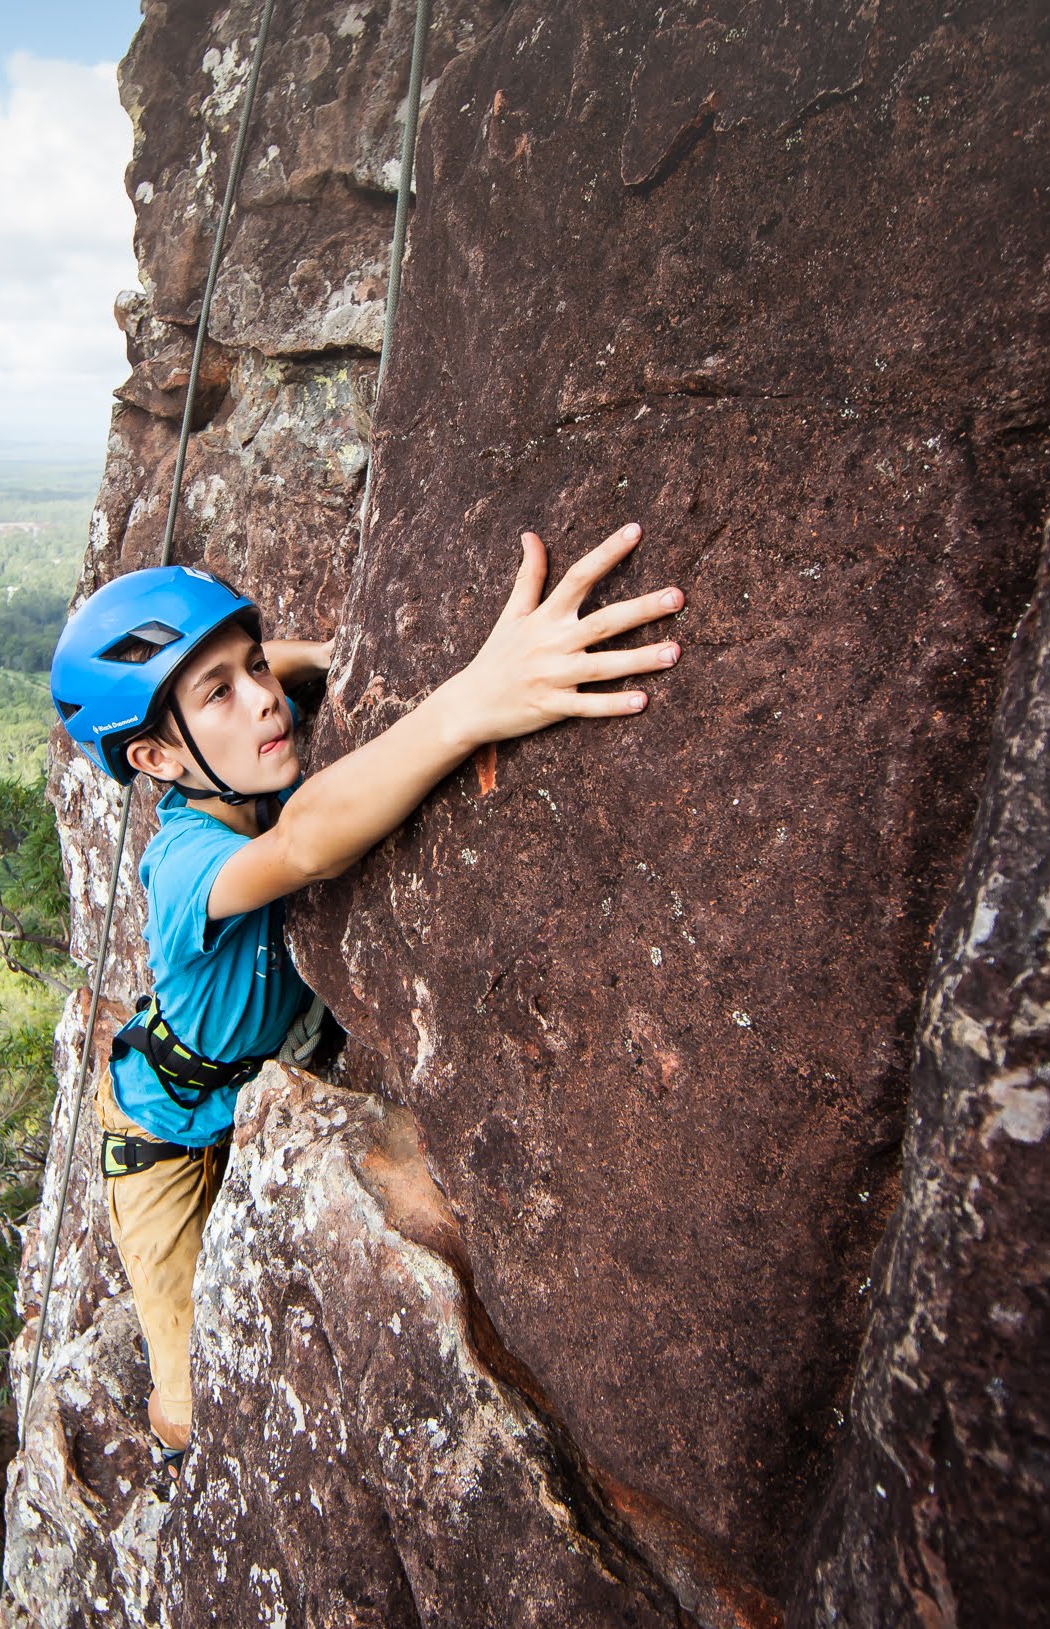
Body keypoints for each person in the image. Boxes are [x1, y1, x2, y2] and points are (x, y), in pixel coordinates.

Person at [48, 523, 683, 1456]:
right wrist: (473, 699)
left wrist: (327, 657)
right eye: (219, 692)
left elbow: (292, 668)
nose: (266, 700)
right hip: (165, 1127)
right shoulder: (181, 863)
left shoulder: (240, 748)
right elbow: (306, 843)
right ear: (154, 760)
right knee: (189, 1406)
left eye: (254, 666)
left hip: (256, 1073)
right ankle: (173, 1444)